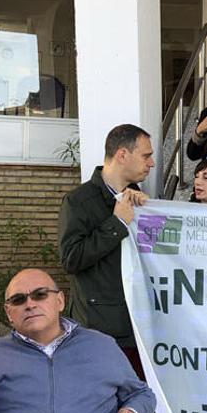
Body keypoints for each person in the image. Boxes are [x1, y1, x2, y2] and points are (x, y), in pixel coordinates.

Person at [0, 269, 156, 413]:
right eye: (19, 300)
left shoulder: (101, 346)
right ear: (9, 313)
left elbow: (141, 394)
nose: (30, 304)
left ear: (60, 301)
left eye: (40, 295)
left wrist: (133, 411)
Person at [58, 124, 153, 372]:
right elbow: (71, 259)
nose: (152, 163)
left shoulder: (138, 199)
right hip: (99, 330)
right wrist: (117, 223)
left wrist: (152, 216)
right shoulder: (78, 201)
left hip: (138, 327)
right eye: (146, 155)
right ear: (122, 155)